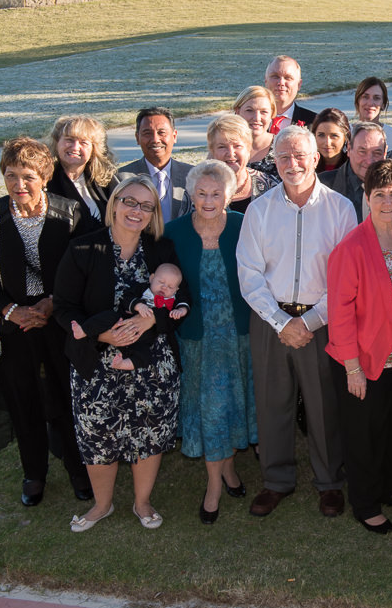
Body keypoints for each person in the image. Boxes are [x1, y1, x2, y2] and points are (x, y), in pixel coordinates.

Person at [236, 126, 357, 519]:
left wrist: (312, 321)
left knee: (324, 406)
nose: (292, 164)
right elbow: (249, 273)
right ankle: (276, 481)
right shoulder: (259, 209)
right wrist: (280, 322)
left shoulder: (341, 208)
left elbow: (345, 276)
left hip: (323, 323)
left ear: (316, 158)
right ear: (273, 160)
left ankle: (329, 482)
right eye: (283, 157)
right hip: (271, 321)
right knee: (272, 402)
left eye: (300, 155)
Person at [54, 175, 185, 532]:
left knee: (151, 431)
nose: (136, 211)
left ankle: (142, 502)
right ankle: (102, 505)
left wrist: (149, 324)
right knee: (97, 433)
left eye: (146, 206)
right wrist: (103, 333)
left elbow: (179, 303)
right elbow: (64, 306)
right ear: (114, 203)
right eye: (129, 201)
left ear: (153, 213)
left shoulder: (162, 250)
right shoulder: (83, 249)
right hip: (96, 361)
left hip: (151, 363)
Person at [0, 137, 91, 507]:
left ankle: (78, 470)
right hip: (13, 325)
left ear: (44, 176)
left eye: (27, 176)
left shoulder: (70, 214)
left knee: (66, 396)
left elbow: (84, 267)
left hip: (58, 321)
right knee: (23, 399)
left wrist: (53, 304)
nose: (18, 184)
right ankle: (34, 473)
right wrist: (11, 310)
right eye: (10, 175)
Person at [326, 159, 392, 534]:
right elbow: (339, 314)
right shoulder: (351, 248)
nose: (387, 202)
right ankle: (365, 503)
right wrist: (352, 367)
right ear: (366, 198)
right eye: (379, 195)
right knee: (363, 434)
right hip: (363, 360)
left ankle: (389, 487)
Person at [165, 160, 257, 525]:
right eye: (201, 193)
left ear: (229, 194)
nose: (207, 200)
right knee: (212, 411)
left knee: (234, 405)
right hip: (197, 341)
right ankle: (214, 486)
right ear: (189, 194)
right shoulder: (172, 233)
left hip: (239, 337)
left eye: (216, 193)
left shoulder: (242, 226)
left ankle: (229, 472)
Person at [75, 262, 186, 372]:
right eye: (161, 282)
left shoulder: (172, 301)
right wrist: (138, 305)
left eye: (170, 287)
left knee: (145, 355)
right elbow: (126, 298)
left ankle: (123, 364)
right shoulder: (142, 289)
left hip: (143, 338)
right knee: (107, 316)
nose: (164, 287)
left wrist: (181, 310)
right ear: (152, 278)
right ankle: (84, 330)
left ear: (176, 290)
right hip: (120, 322)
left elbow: (184, 304)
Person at [118, 107, 192, 223]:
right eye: (147, 133)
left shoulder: (192, 176)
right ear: (137, 138)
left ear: (174, 136)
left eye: (161, 133)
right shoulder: (121, 178)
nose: (155, 139)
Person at [46, 115, 119, 230]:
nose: (75, 147)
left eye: (83, 142)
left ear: (94, 149)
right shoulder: (44, 181)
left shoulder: (105, 181)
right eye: (69, 140)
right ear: (56, 143)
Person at [205, 115, 278, 214]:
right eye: (222, 147)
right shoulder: (199, 188)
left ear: (248, 149)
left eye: (237, 146)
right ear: (212, 151)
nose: (231, 153)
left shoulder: (270, 187)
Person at [321, 121, 388, 222]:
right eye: (362, 152)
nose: (369, 161)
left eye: (377, 153)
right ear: (348, 149)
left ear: (385, 153)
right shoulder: (322, 186)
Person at [232, 85, 279, 176]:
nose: (257, 118)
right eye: (249, 110)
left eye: (264, 112)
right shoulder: (224, 146)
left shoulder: (282, 146)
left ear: (272, 114)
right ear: (238, 111)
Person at [265, 54, 316, 132]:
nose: (281, 82)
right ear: (266, 81)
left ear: (299, 84)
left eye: (288, 78)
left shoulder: (314, 122)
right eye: (275, 76)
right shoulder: (249, 119)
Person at [353, 75, 392, 149]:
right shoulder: (345, 134)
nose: (370, 103)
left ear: (383, 104)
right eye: (365, 97)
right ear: (358, 101)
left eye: (376, 98)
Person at [311, 107, 351, 174]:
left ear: (346, 137)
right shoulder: (307, 165)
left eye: (334, 136)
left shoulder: (353, 167)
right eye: (321, 135)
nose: (327, 142)